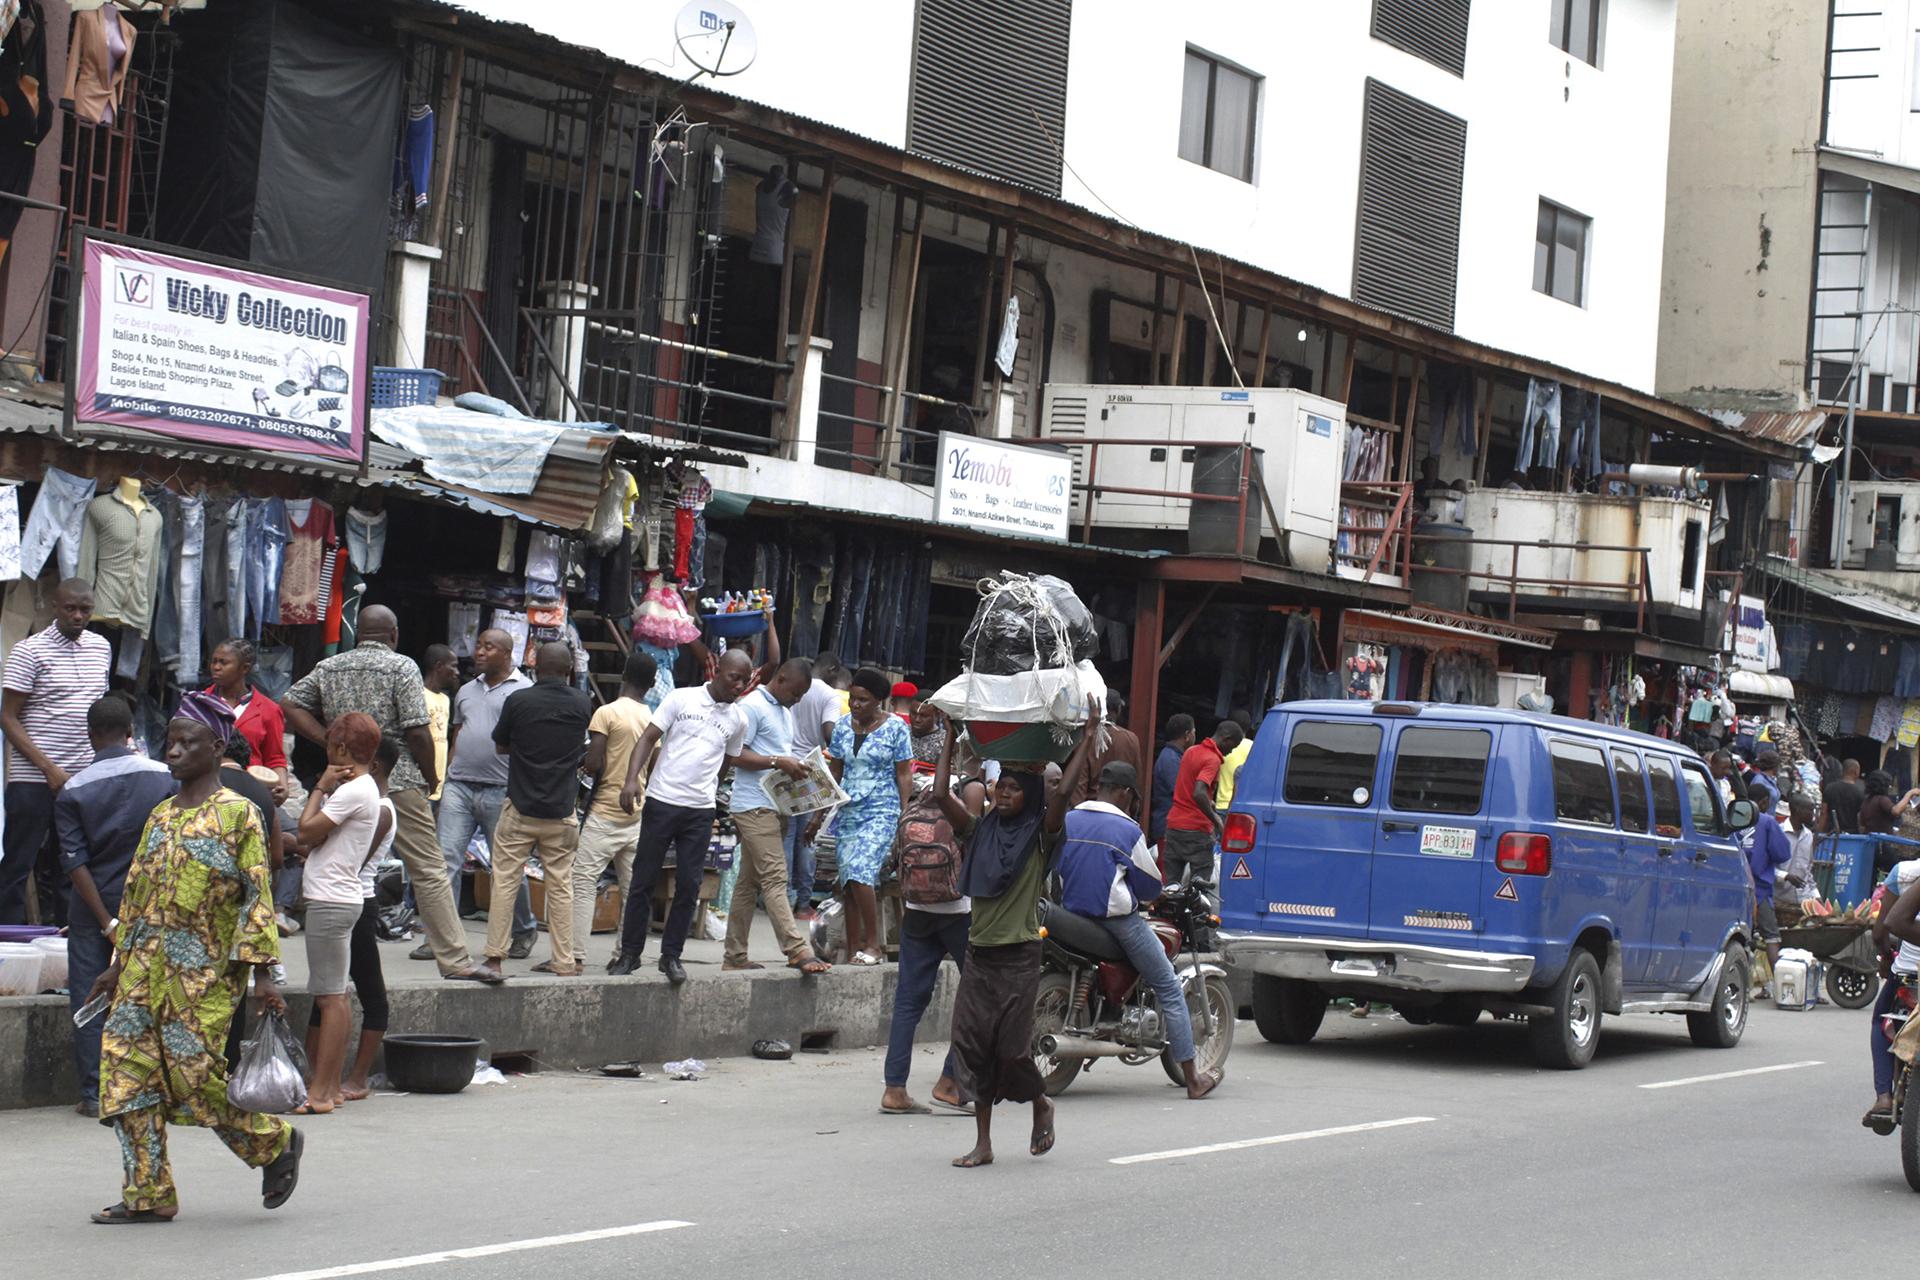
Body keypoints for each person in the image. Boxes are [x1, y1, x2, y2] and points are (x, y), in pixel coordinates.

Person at [85, 690, 302, 1224]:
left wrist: (263, 978)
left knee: (192, 1079)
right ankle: (149, 1194)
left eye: (187, 743)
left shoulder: (239, 816)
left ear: (216, 746)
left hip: (202, 977)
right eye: (170, 742)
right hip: (140, 971)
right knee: (125, 1076)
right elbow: (137, 896)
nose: (174, 751)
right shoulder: (160, 816)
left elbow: (257, 897)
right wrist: (116, 966)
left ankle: (272, 1144)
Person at [282, 605, 488, 982]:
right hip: (397, 777)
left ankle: (342, 962)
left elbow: (290, 702)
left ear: (358, 632)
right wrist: (431, 776)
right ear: (393, 634)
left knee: (345, 863)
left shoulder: (332, 666)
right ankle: (455, 960)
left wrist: (329, 739)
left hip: (345, 776)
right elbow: (416, 731)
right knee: (427, 868)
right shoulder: (402, 667)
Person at [936, 698, 1097, 1169]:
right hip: (978, 956)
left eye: (1012, 788)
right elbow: (943, 795)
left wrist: (1086, 740)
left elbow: (1062, 796)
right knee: (972, 1047)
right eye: (997, 787)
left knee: (1011, 1050)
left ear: (1030, 792)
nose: (1002, 794)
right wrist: (952, 733)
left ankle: (1041, 1102)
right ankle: (983, 1142)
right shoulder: (978, 831)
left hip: (1020, 956)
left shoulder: (1041, 836)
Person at [1057, 759, 1222, 1099]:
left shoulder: (1069, 819)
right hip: (1116, 922)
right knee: (1168, 984)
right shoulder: (1128, 831)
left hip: (1070, 914)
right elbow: (1148, 887)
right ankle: (1193, 1079)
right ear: (1125, 793)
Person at [55, 694, 176, 1117]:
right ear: (131, 732)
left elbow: (75, 862)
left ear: (91, 736)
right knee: (149, 994)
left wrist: (107, 921)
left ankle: (95, 1093)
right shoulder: (164, 778)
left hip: (92, 912)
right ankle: (145, 1084)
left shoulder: (73, 788)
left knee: (90, 1000)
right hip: (153, 907)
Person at [610, 649, 753, 983]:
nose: (740, 686)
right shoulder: (681, 698)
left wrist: (708, 793)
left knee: (689, 885)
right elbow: (647, 739)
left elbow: (726, 762)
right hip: (662, 801)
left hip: (700, 811)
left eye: (746, 681)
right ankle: (630, 954)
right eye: (735, 677)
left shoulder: (738, 719)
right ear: (718, 670)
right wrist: (632, 779)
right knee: (643, 881)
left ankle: (671, 956)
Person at [474, 642, 593, 981]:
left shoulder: (519, 701)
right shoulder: (582, 703)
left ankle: (495, 959)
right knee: (561, 885)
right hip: (561, 810)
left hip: (520, 807)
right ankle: (564, 961)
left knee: (505, 881)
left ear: (534, 666)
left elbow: (500, 745)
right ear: (570, 670)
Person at [881, 713, 979, 1117]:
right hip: (957, 911)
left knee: (908, 1000)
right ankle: (950, 1080)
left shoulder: (920, 797)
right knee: (976, 997)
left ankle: (895, 1088)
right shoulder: (971, 795)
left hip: (917, 908)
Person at [1, 578, 111, 924]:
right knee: (19, 862)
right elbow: (7, 717)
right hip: (33, 777)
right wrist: (49, 769)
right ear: (54, 606)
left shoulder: (101, 648)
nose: (78, 616)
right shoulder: (29, 650)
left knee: (73, 864)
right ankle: (9, 945)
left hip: (81, 779)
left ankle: (68, 944)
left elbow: (99, 710)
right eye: (70, 608)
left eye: (85, 610)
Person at [294, 712, 384, 1114]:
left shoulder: (351, 790)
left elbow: (307, 831)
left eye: (331, 746)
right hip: (342, 897)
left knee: (331, 998)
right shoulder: (363, 789)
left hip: (331, 899)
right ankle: (326, 1088)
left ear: (342, 750)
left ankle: (321, 1093)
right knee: (338, 997)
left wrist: (319, 787)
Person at [433, 628, 535, 962]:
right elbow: (459, 734)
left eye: (488, 647)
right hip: (459, 785)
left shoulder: (525, 691)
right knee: (445, 860)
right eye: (478, 645)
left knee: (504, 868)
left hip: (501, 789)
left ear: (506, 653)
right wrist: (445, 775)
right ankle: (443, 939)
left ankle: (523, 930)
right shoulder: (464, 690)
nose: (479, 651)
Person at [723, 658, 830, 974]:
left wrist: (796, 767)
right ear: (781, 679)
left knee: (748, 884)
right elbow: (734, 754)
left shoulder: (783, 711)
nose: (797, 701)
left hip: (775, 805)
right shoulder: (752, 706)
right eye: (795, 694)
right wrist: (777, 762)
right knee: (775, 877)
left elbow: (777, 754)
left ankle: (734, 956)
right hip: (753, 805)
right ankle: (796, 949)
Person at [810, 666, 912, 965]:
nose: (855, 705)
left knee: (860, 870)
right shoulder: (842, 727)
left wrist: (904, 816)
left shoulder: (896, 728)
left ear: (879, 701)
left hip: (882, 809)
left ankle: (874, 945)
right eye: (853, 698)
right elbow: (835, 773)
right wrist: (818, 816)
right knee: (848, 882)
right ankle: (853, 945)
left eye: (863, 700)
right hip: (849, 810)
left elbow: (904, 774)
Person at [319, 735, 397, 1102]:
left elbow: (354, 859)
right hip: (349, 899)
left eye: (352, 759)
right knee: (329, 991)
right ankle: (320, 1077)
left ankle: (357, 1077)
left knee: (369, 994)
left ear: (374, 766)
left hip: (358, 902)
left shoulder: (379, 808)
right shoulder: (365, 801)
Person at [571, 649, 656, 970]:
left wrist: (584, 762)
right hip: (637, 815)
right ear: (651, 684)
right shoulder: (652, 719)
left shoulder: (606, 713)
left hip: (605, 813)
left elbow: (593, 763)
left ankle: (576, 956)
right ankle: (624, 953)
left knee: (582, 884)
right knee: (634, 890)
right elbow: (655, 767)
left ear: (623, 676)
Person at [787, 653, 849, 916]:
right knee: (808, 838)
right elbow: (828, 732)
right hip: (810, 769)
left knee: (787, 837)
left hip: (785, 765)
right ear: (833, 670)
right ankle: (802, 903)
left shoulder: (794, 685)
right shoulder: (829, 695)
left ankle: (782, 898)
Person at [1865, 861, 1920, 1129]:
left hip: (1908, 971)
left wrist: (1886, 957)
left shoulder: (1906, 871)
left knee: (1880, 1021)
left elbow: (1880, 932)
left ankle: (1883, 1097)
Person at [205, 638, 289, 802]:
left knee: (289, 828)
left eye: (223, 663)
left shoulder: (269, 710)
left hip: (251, 792)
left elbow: (275, 758)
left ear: (244, 668)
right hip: (206, 787)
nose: (216, 667)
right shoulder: (199, 703)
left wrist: (283, 787)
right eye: (214, 661)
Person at [1162, 719, 1244, 885]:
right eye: (1232, 747)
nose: (1230, 752)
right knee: (1199, 887)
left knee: (1171, 885)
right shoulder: (1212, 760)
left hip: (1174, 827)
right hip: (1196, 831)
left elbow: (1189, 786)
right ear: (1226, 739)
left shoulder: (1191, 751)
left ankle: (1168, 910)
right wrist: (1217, 820)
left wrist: (1209, 801)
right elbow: (1198, 792)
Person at [1740, 779, 1793, 970]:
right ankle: (1779, 984)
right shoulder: (1767, 821)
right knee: (1771, 936)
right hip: (1760, 890)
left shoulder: (1735, 817)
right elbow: (1782, 853)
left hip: (1737, 887)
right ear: (1763, 802)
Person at [1075, 691, 1144, 806]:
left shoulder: (1086, 738)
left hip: (1090, 807)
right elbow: (1136, 784)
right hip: (1120, 809)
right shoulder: (1130, 739)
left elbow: (1079, 784)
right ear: (1118, 710)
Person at [1149, 713, 1195, 847]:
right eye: (1193, 732)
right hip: (1168, 828)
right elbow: (1182, 792)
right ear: (1187, 735)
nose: (1194, 736)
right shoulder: (1171, 760)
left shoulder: (1175, 757)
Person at [420, 643, 458, 805]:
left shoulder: (444, 699)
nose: (457, 672)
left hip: (439, 783)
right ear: (439, 666)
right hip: (421, 782)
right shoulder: (418, 695)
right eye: (454, 666)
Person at [1777, 793, 1820, 928]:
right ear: (1796, 810)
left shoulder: (1808, 836)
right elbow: (1765, 867)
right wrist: (1786, 876)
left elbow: (1807, 871)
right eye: (1809, 810)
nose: (1812, 815)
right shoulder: (1778, 832)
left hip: (1802, 901)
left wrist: (1816, 896)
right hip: (1779, 900)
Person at [1212, 708, 1255, 818]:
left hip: (1220, 804)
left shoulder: (1222, 745)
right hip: (1240, 806)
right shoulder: (1253, 747)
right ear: (1249, 726)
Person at [1822, 757, 1866, 834]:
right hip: (1852, 837)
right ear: (1856, 772)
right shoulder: (1860, 792)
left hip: (1832, 834)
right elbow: (1861, 817)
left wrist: (1819, 834)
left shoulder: (1829, 788)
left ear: (1842, 771)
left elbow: (1823, 813)